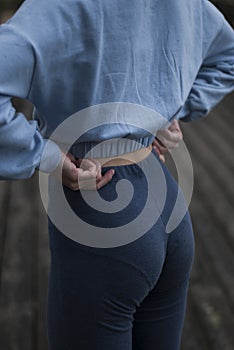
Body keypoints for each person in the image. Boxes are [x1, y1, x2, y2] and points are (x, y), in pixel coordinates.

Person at [0, 0, 233, 349]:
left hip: (99, 210)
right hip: (168, 207)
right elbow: (228, 56)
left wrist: (46, 155)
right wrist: (167, 112)